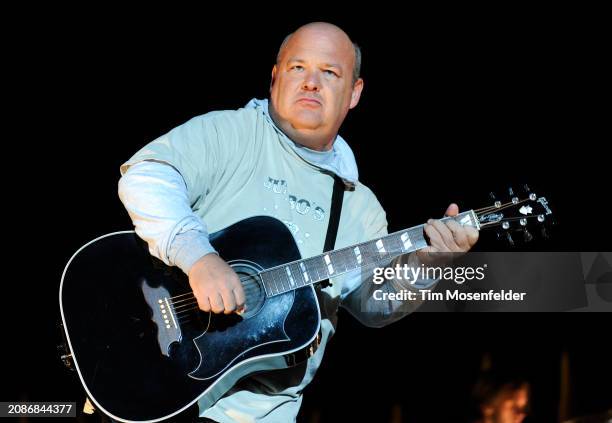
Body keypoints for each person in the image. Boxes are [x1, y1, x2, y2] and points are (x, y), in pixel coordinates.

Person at [119, 22, 479, 422]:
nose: (311, 83)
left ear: (354, 93)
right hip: (162, 383)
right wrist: (198, 257)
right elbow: (146, 176)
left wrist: (427, 265)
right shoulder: (231, 133)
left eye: (329, 72)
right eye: (297, 68)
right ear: (275, 78)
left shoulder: (361, 208)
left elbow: (371, 305)